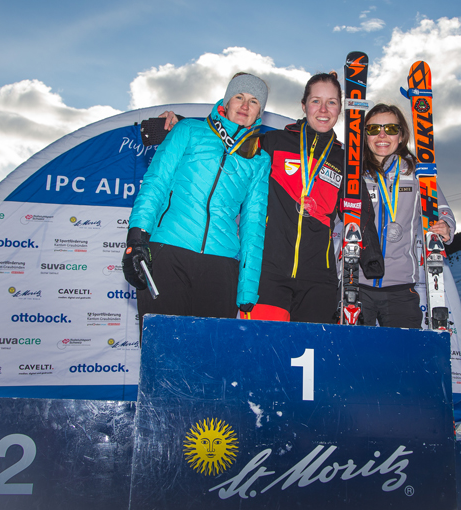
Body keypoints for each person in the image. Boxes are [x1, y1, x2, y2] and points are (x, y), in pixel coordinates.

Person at [158, 72, 384, 324]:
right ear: (303, 105)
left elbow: (360, 210)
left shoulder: (345, 160)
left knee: (310, 356)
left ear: (340, 108)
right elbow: (228, 141)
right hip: (268, 274)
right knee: (262, 354)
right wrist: (179, 122)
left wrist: (371, 257)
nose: (323, 109)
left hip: (318, 278)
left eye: (331, 102)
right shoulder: (274, 142)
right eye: (315, 101)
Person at [122, 73, 271, 328]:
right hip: (168, 254)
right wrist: (136, 240)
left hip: (220, 266)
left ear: (259, 114)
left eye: (254, 101)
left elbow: (253, 225)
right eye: (239, 97)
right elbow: (155, 184)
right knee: (162, 355)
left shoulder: (259, 160)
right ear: (226, 101)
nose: (245, 106)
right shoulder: (189, 130)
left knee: (207, 363)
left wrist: (247, 287)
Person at [359, 103, 455, 328]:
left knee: (402, 360)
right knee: (358, 360)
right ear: (364, 136)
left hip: (401, 286)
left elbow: (443, 210)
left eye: (391, 129)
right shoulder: (355, 174)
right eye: (373, 129)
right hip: (357, 284)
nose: (382, 135)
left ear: (401, 135)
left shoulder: (416, 173)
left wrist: (446, 227)